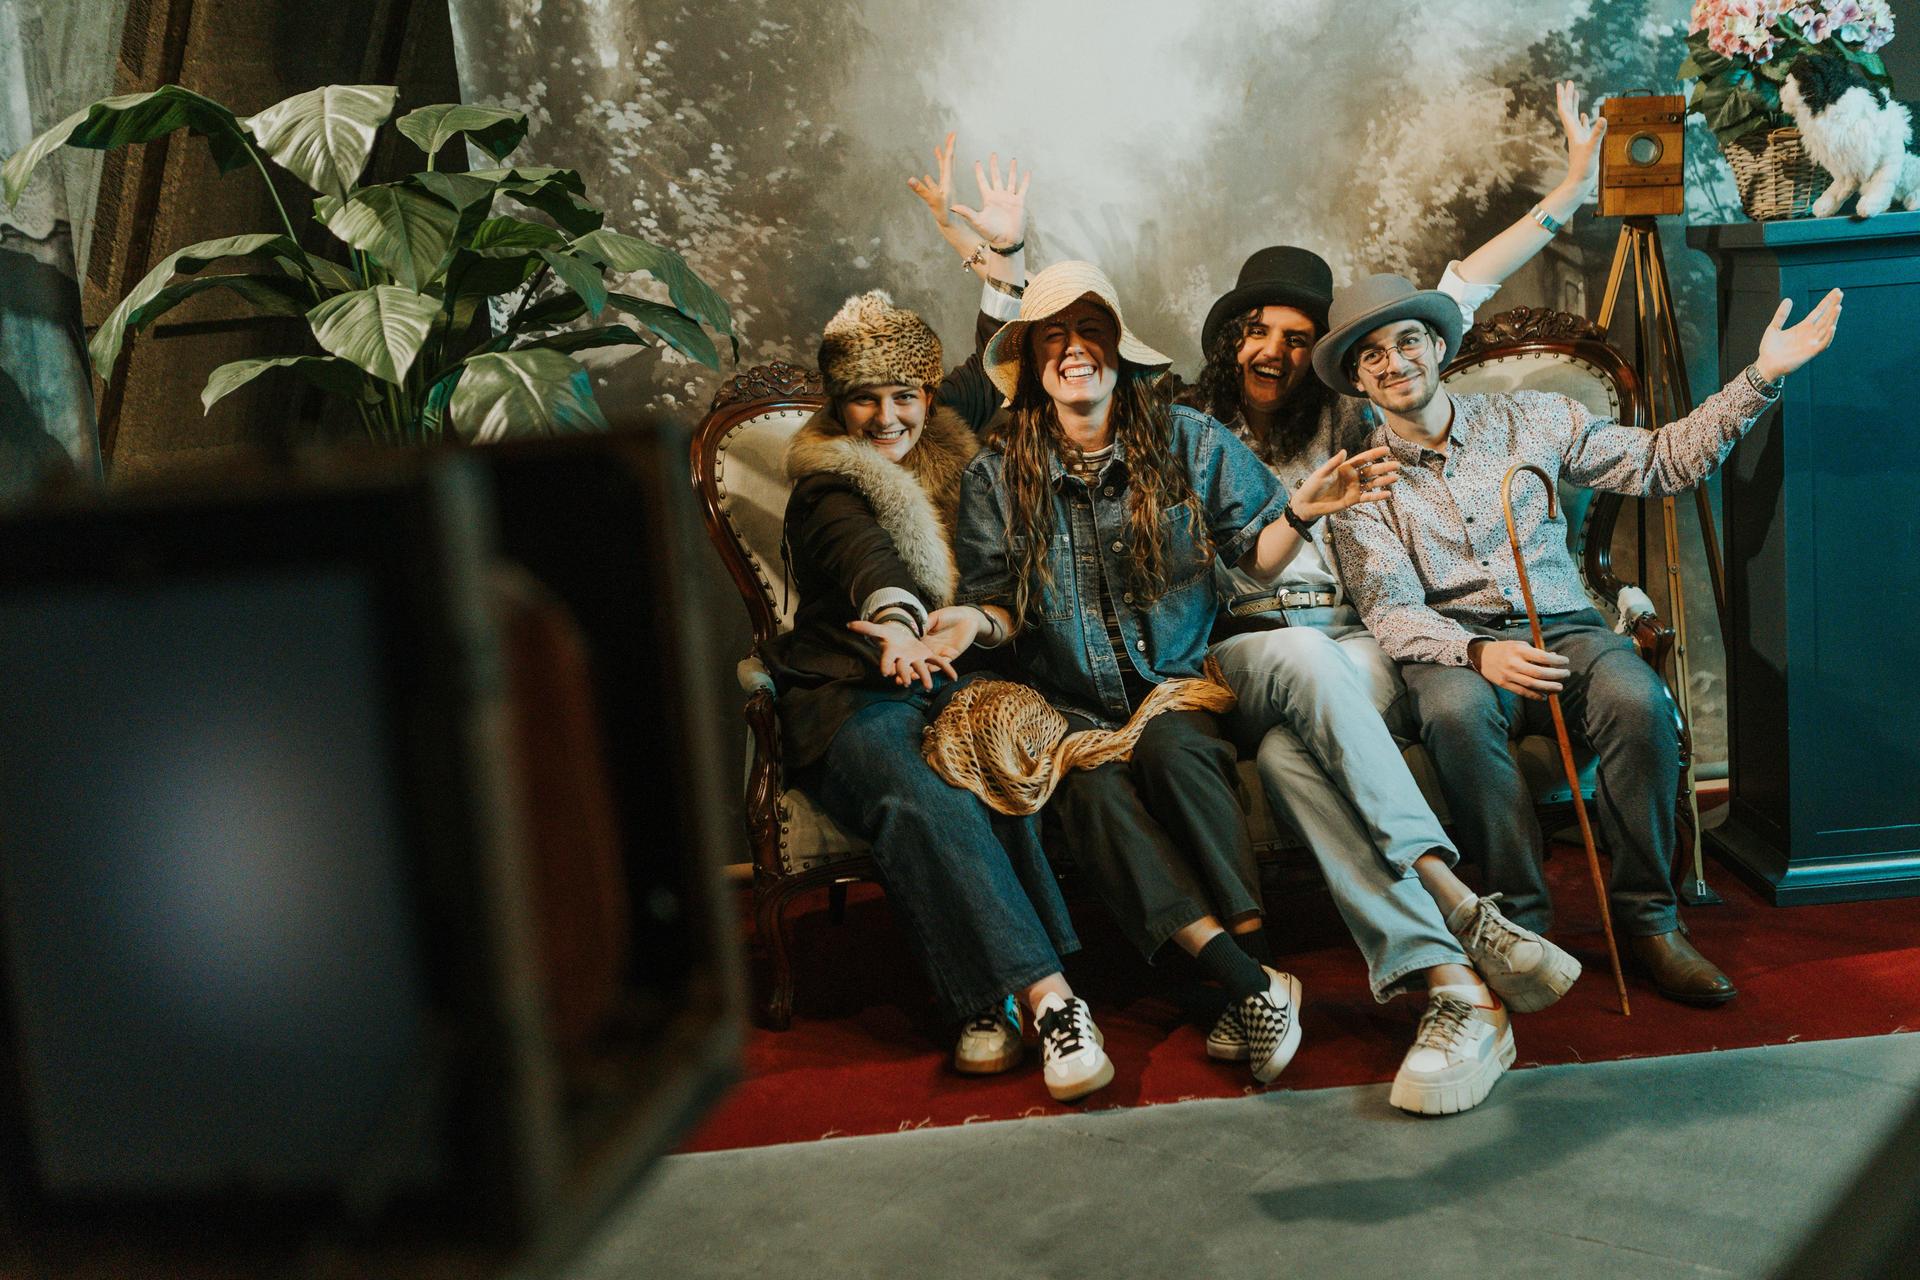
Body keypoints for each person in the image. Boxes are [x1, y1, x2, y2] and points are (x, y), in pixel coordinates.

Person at [1179, 81, 1603, 1114]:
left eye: (1296, 337)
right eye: (1256, 331)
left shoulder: (1354, 405)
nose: (1273, 351)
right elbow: (1051, 380)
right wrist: (1002, 268)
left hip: (1357, 638)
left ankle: (1449, 982)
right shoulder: (1184, 424)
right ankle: (1462, 900)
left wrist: (1570, 190)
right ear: (1230, 339)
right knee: (1301, 664)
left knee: (1294, 760)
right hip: (1249, 645)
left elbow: (1462, 285)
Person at [1320, 272, 1842, 1007]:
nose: (1394, 362)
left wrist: (1761, 375)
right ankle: (1520, 926)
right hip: (1454, 648)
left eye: (1407, 341)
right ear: (1357, 379)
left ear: (1437, 346)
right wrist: (1478, 653)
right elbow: (1391, 610)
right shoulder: (1360, 484)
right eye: (1370, 355)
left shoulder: (1532, 417)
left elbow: (1664, 462)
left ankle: (1649, 921)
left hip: (1564, 626)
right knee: (1457, 714)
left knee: (1638, 700)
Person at [944, 258, 1395, 1085]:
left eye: (1090, 331)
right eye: (1053, 336)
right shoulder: (993, 475)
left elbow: (1254, 560)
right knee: (1091, 794)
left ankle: (1256, 967)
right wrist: (971, 620)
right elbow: (996, 606)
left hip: (1173, 684)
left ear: (1118, 350)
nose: (1073, 349)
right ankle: (1251, 984)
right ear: (1033, 362)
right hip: (1069, 708)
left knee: (1180, 755)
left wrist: (1300, 512)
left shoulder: (1187, 439)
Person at [762, 286, 1119, 1104]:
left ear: (926, 395)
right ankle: (1052, 1001)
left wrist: (1002, 262)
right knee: (918, 790)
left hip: (948, 680)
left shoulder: (946, 426)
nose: (887, 418)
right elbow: (869, 561)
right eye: (864, 398)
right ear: (839, 404)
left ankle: (983, 1000)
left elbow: (991, 364)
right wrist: (896, 623)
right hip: (848, 696)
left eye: (903, 396)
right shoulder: (827, 484)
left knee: (987, 764)